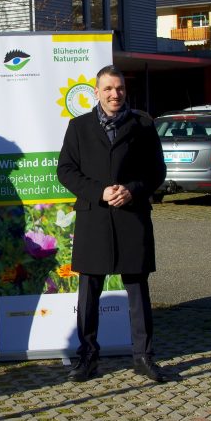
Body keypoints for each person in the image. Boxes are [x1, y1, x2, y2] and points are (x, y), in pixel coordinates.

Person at [56, 65, 166, 383]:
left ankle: (143, 357)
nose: (114, 94)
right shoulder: (78, 127)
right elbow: (66, 171)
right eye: (107, 89)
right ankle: (87, 358)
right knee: (89, 292)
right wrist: (99, 192)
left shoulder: (143, 124)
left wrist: (132, 190)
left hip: (132, 219)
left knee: (137, 290)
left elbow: (156, 172)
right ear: (96, 92)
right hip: (95, 218)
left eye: (118, 88)